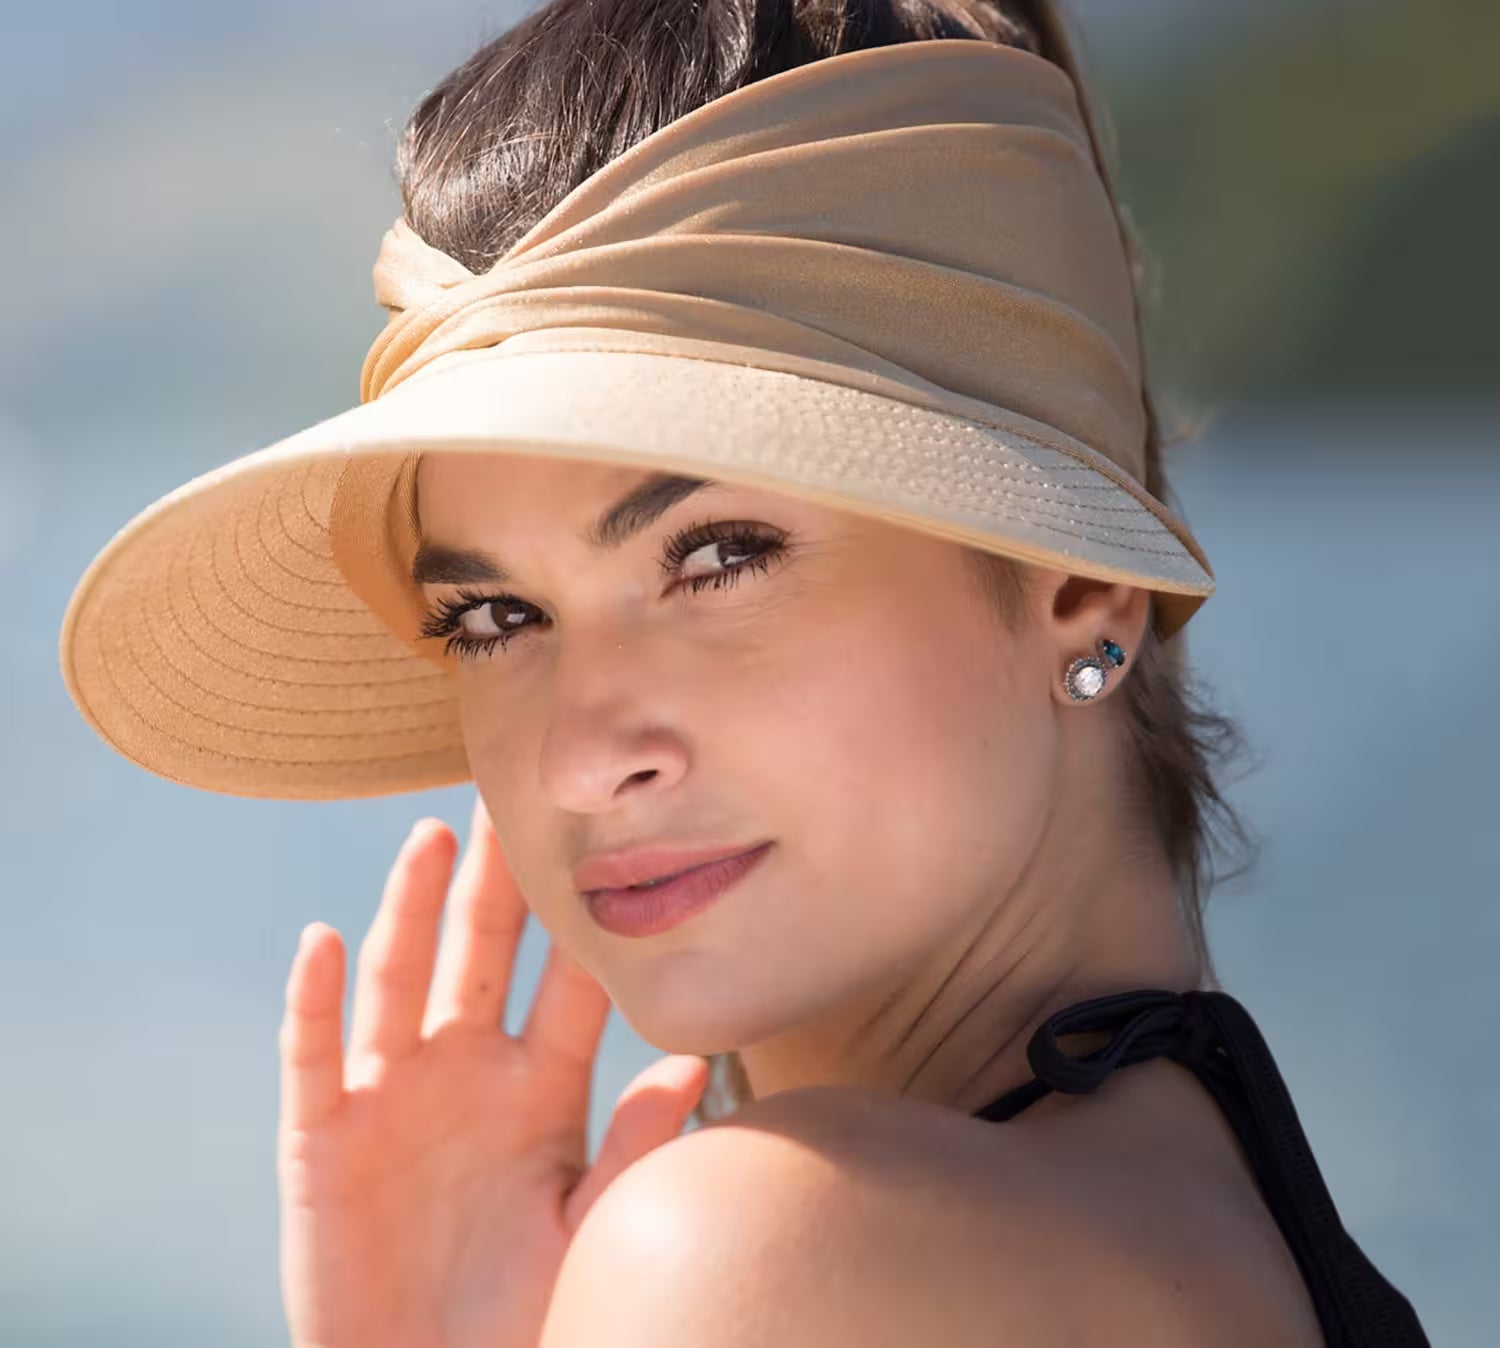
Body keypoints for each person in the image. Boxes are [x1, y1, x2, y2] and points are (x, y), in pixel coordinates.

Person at [57, 1, 1431, 1344]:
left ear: (1079, 580)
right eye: (492, 615)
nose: (580, 759)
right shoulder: (1229, 1229)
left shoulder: (757, 1254)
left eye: (717, 555)